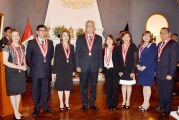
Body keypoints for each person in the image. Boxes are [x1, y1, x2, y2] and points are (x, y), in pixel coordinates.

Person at [26, 25, 54, 117]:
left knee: (46, 90)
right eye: (41, 30)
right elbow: (28, 58)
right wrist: (34, 66)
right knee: (36, 90)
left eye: (44, 30)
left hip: (46, 71)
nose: (43, 32)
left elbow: (50, 56)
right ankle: (37, 108)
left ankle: (46, 107)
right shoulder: (32, 43)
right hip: (36, 71)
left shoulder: (50, 42)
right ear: (37, 32)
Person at [75, 20, 103, 112]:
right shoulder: (80, 38)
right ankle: (84, 105)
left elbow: (100, 53)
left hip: (95, 66)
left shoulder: (98, 38)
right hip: (83, 66)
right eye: (88, 26)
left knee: (94, 86)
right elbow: (77, 53)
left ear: (94, 28)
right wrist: (77, 65)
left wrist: (101, 66)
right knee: (83, 86)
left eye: (91, 26)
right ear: (85, 28)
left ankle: (92, 104)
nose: (90, 28)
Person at [3, 29, 26, 120]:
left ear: (19, 36)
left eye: (17, 35)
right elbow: (5, 62)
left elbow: (23, 58)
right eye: (14, 35)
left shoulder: (22, 46)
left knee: (18, 92)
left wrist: (24, 65)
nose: (16, 37)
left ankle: (16, 111)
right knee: (13, 93)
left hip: (20, 72)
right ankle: (16, 112)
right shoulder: (7, 47)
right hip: (11, 72)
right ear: (11, 37)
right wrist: (19, 67)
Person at [154, 27, 178, 116]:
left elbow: (174, 60)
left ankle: (168, 109)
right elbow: (158, 58)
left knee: (168, 91)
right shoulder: (160, 43)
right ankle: (161, 105)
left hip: (168, 73)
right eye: (161, 33)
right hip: (160, 72)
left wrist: (171, 74)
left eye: (164, 33)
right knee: (160, 91)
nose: (163, 34)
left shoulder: (173, 44)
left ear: (169, 34)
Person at [53, 30, 75, 112]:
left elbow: (73, 59)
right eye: (64, 35)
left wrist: (73, 70)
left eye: (67, 35)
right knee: (60, 87)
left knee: (68, 87)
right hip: (60, 69)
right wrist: (54, 71)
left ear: (69, 37)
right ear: (62, 37)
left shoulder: (72, 46)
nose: (66, 37)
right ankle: (61, 103)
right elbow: (55, 59)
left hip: (69, 69)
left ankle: (67, 102)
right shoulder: (58, 46)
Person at [136, 31, 157, 111]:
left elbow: (152, 57)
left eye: (148, 36)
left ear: (150, 37)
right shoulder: (140, 45)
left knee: (147, 86)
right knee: (144, 86)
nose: (146, 37)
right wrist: (138, 64)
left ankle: (147, 103)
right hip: (141, 68)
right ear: (142, 37)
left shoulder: (153, 45)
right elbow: (138, 57)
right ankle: (144, 102)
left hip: (148, 68)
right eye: (145, 35)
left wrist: (145, 66)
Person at [119, 31, 137, 109]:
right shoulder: (119, 47)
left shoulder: (133, 46)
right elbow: (118, 59)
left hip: (130, 69)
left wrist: (133, 71)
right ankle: (124, 100)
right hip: (122, 70)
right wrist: (119, 70)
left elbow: (135, 60)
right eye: (124, 37)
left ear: (130, 38)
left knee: (129, 85)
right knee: (123, 85)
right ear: (122, 38)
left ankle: (128, 100)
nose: (126, 38)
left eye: (128, 37)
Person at [103, 35, 120, 111]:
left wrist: (121, 70)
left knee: (115, 88)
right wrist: (103, 69)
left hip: (115, 70)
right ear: (106, 41)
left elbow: (120, 60)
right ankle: (109, 103)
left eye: (110, 39)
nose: (109, 40)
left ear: (113, 41)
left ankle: (115, 104)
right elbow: (101, 60)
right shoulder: (104, 49)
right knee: (108, 88)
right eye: (107, 39)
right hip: (107, 71)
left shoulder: (116, 49)